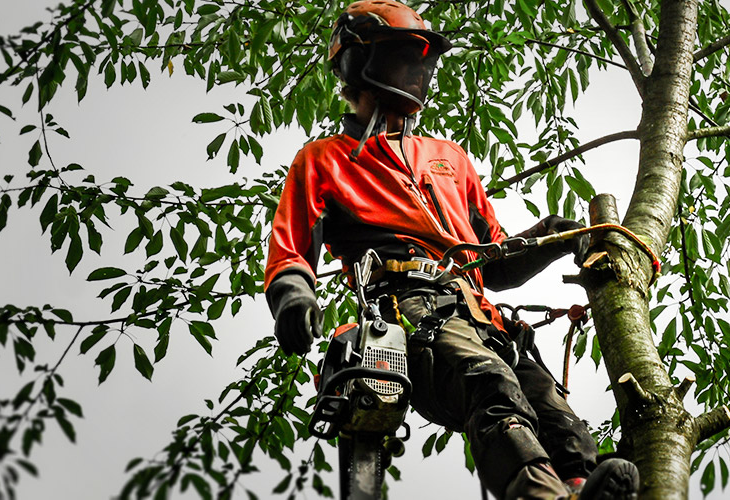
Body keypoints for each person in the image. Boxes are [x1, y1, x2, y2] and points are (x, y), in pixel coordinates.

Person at [261, 2, 638, 499]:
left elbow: (495, 259)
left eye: (420, 63)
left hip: (485, 316)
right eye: (403, 59)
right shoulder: (324, 160)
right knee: (492, 385)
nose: (415, 74)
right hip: (410, 307)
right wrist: (292, 297)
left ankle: (580, 485)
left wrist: (557, 234)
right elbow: (291, 246)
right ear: (359, 63)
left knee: (553, 411)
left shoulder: (448, 158)